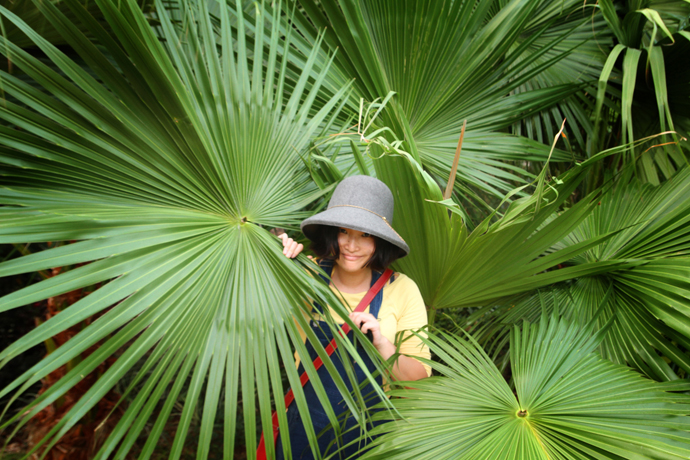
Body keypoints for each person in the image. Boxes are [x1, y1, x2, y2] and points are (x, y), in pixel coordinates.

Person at [275, 175, 430, 459]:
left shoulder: (402, 289)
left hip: (370, 440)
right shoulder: (304, 273)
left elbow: (417, 383)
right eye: (344, 231)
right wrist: (276, 250)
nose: (351, 245)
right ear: (331, 231)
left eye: (365, 235)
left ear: (380, 240)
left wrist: (382, 343)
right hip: (301, 433)